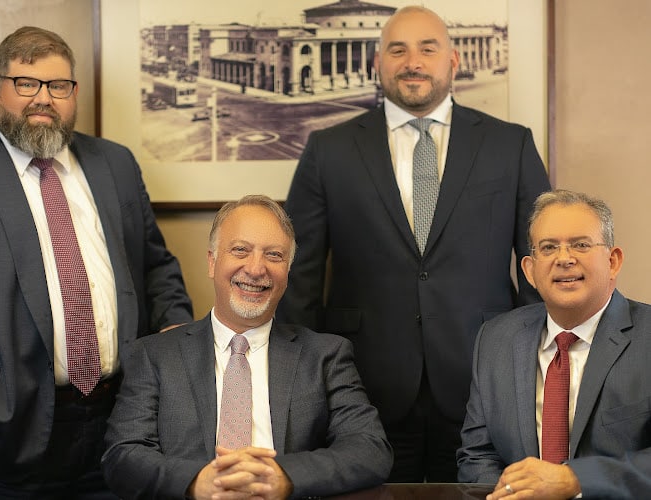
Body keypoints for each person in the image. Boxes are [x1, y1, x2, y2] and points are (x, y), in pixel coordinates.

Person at [276, 5, 551, 482]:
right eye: (397, 50)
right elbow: (298, 275)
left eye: (428, 48)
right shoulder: (328, 150)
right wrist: (302, 381)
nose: (413, 62)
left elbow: (540, 264)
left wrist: (535, 365)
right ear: (377, 63)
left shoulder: (511, 145)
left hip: (484, 380)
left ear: (453, 61)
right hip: (361, 388)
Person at [0, 26, 193, 498]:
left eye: (58, 86)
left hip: (123, 426)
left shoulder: (115, 164)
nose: (43, 99)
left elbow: (155, 266)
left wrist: (176, 336)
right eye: (26, 83)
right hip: (4, 433)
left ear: (74, 92)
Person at [101, 195, 392, 499]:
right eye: (240, 250)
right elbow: (123, 457)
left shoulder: (325, 356)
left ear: (288, 271)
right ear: (212, 261)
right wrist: (197, 482)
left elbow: (370, 449)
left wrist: (284, 477)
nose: (255, 269)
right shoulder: (154, 355)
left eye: (274, 255)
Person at [457, 190, 651, 499]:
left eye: (581, 244)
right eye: (548, 247)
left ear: (613, 261)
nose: (564, 259)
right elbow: (478, 454)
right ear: (529, 271)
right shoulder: (495, 340)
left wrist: (575, 480)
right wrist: (507, 493)